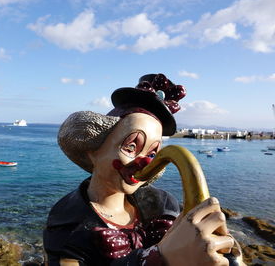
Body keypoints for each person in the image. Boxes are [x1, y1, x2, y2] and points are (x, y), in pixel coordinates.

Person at [44, 74, 243, 266]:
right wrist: (158, 259)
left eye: (152, 153)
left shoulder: (164, 205)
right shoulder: (67, 226)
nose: (145, 162)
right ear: (93, 150)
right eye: (131, 147)